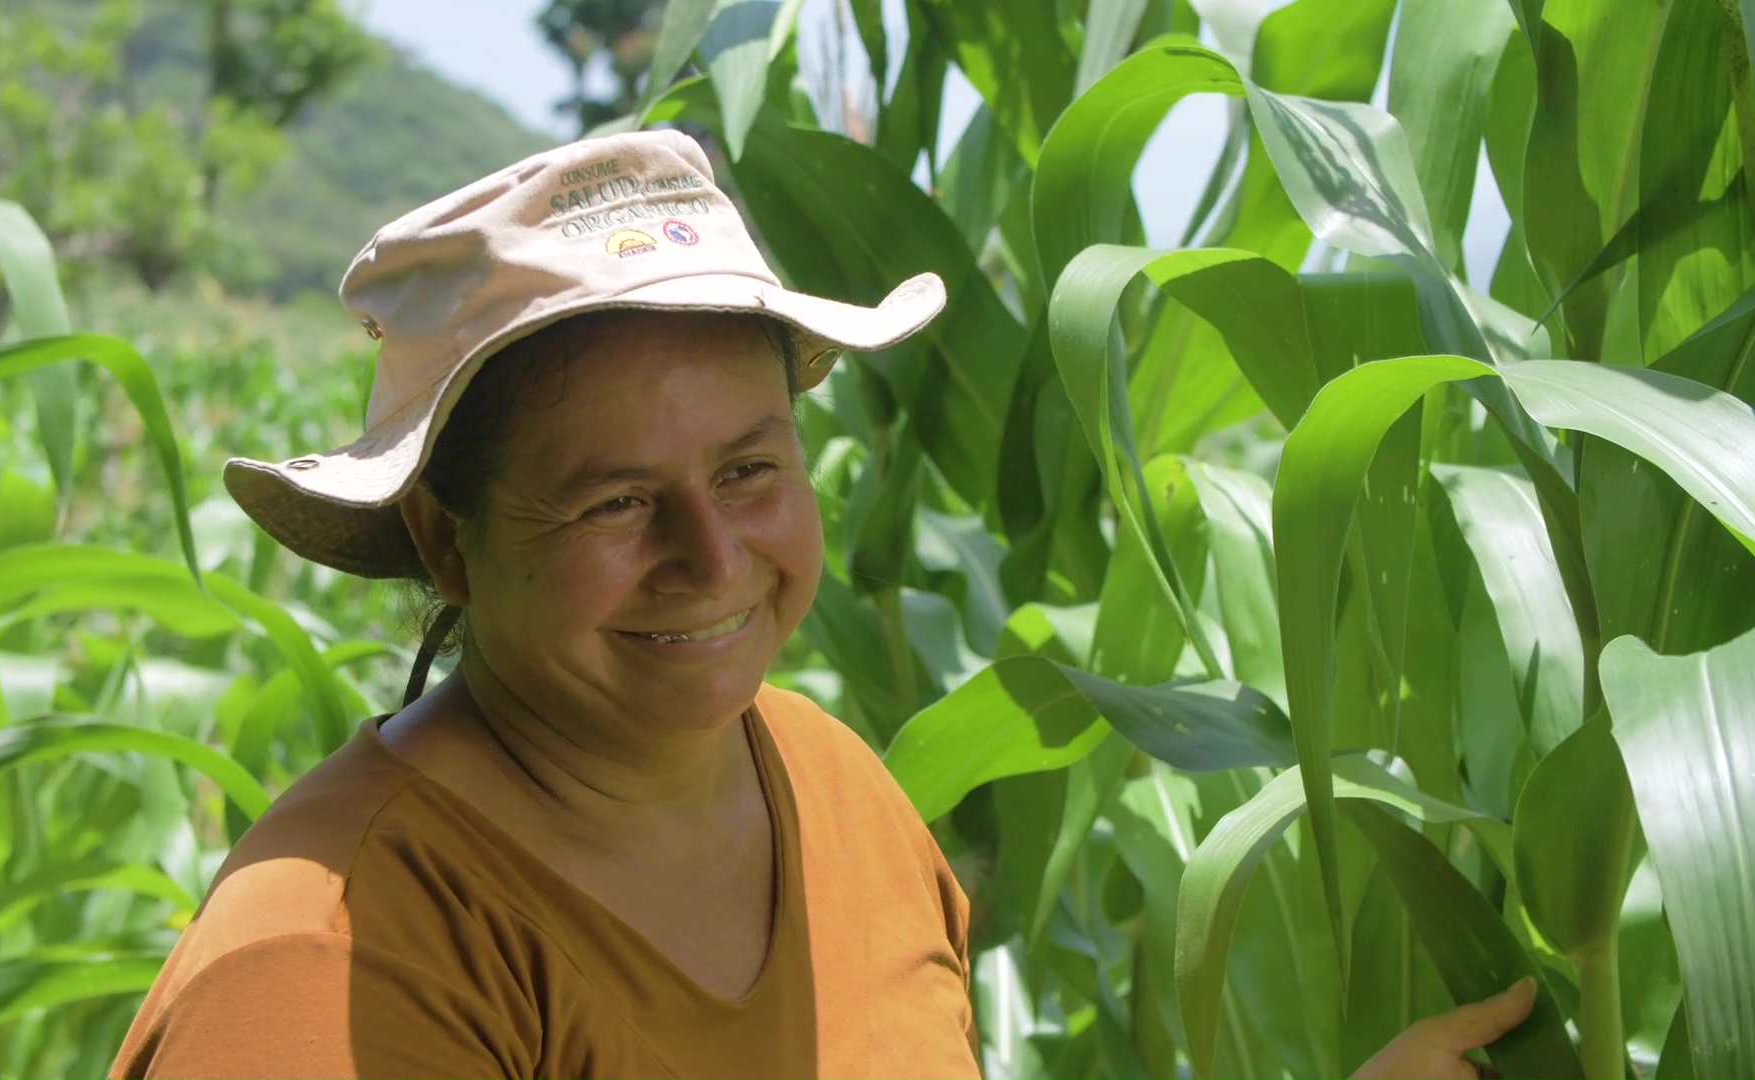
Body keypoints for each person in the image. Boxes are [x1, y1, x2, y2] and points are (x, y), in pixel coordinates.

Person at [108, 129, 1540, 1079]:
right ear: (449, 539)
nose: (714, 557)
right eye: (615, 502)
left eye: (748, 470)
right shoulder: (333, 957)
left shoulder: (843, 796)